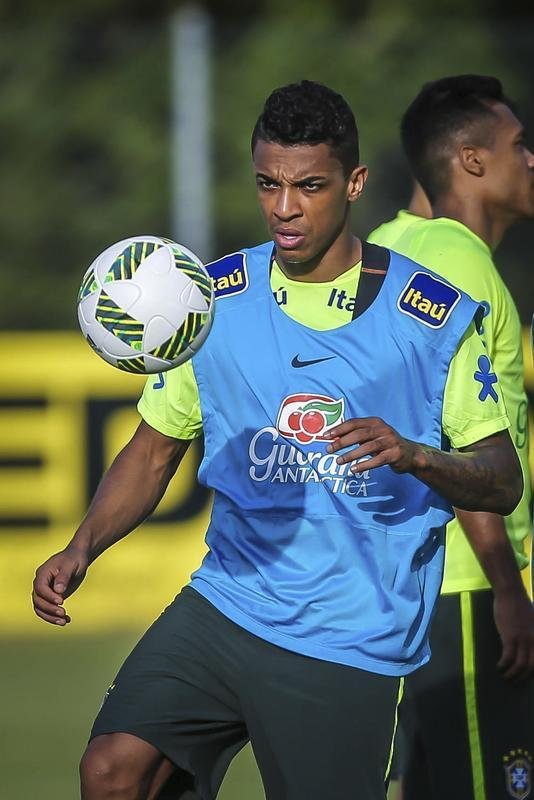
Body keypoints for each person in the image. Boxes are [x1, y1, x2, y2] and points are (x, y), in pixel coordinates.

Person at [32, 80, 522, 800]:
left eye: (309, 186)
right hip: (227, 604)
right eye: (268, 184)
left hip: (349, 637)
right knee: (111, 771)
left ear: (354, 183)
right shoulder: (209, 302)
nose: (284, 209)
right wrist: (83, 546)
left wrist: (417, 454)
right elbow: (152, 449)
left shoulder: (433, 318)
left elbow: (501, 478)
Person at [369, 74, 534, 800]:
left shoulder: (386, 243)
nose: (530, 159)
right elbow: (448, 436)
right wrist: (508, 588)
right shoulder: (455, 259)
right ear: (471, 160)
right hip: (462, 587)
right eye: (518, 145)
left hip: (404, 591)